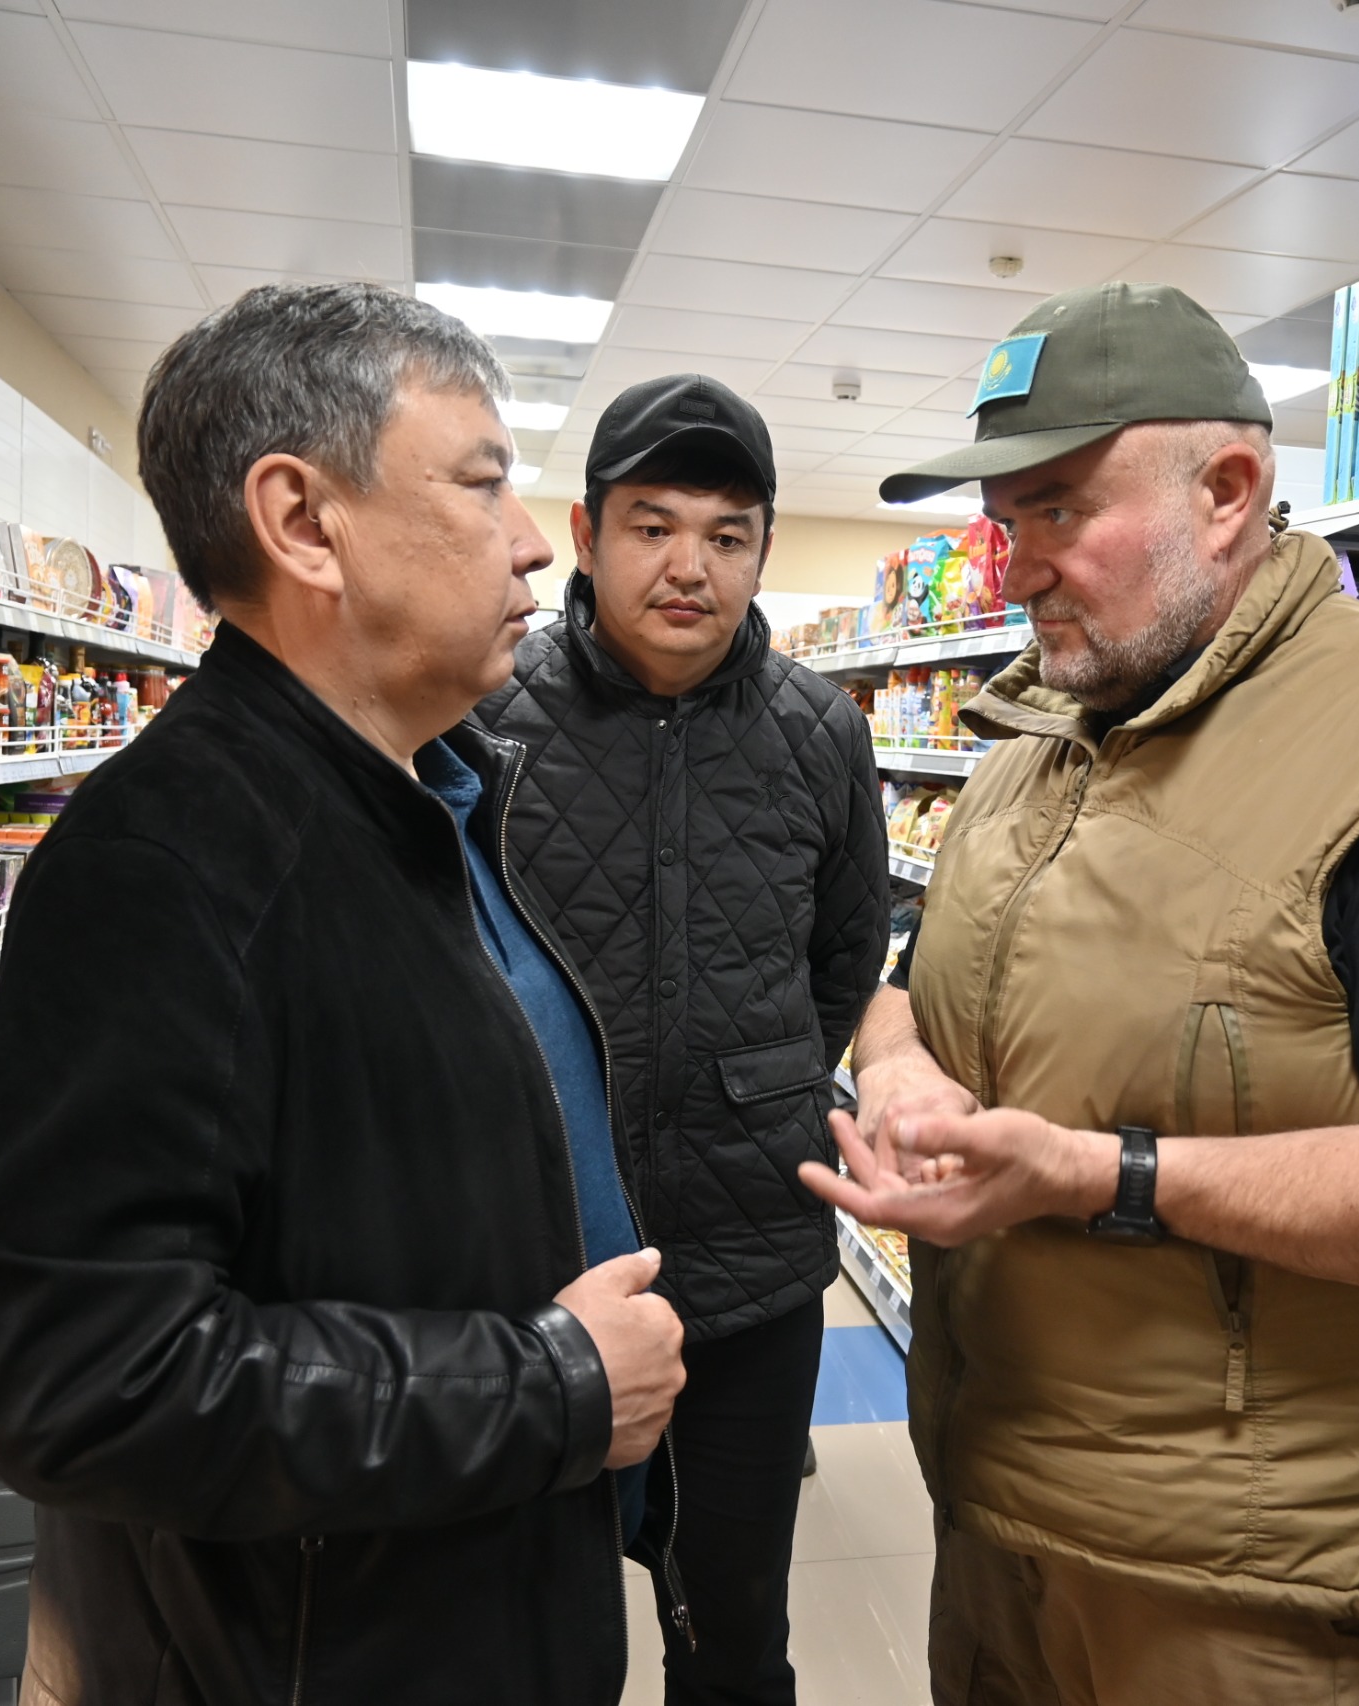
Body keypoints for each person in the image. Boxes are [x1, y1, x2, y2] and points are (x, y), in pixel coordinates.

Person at [801, 283, 1359, 1705]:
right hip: (998, 1523)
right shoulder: (1037, 742)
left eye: (1059, 508)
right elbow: (908, 984)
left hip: (1248, 1598)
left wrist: (1104, 1173)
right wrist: (897, 1063)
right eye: (1004, 519)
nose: (1017, 568)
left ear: (1229, 490)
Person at [0, 283, 687, 1705]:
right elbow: (85, 1374)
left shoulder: (433, 797)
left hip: (471, 1601)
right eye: (483, 483)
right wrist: (552, 1385)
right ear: (302, 522)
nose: (535, 540)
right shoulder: (168, 866)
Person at [472, 374, 889, 1705]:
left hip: (750, 1268)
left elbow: (843, 955)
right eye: (652, 526)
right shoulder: (484, 715)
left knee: (732, 1635)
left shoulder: (822, 730)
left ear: (762, 550)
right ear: (585, 535)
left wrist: (753, 1080)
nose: (689, 566)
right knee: (524, 1638)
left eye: (726, 533)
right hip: (529, 1268)